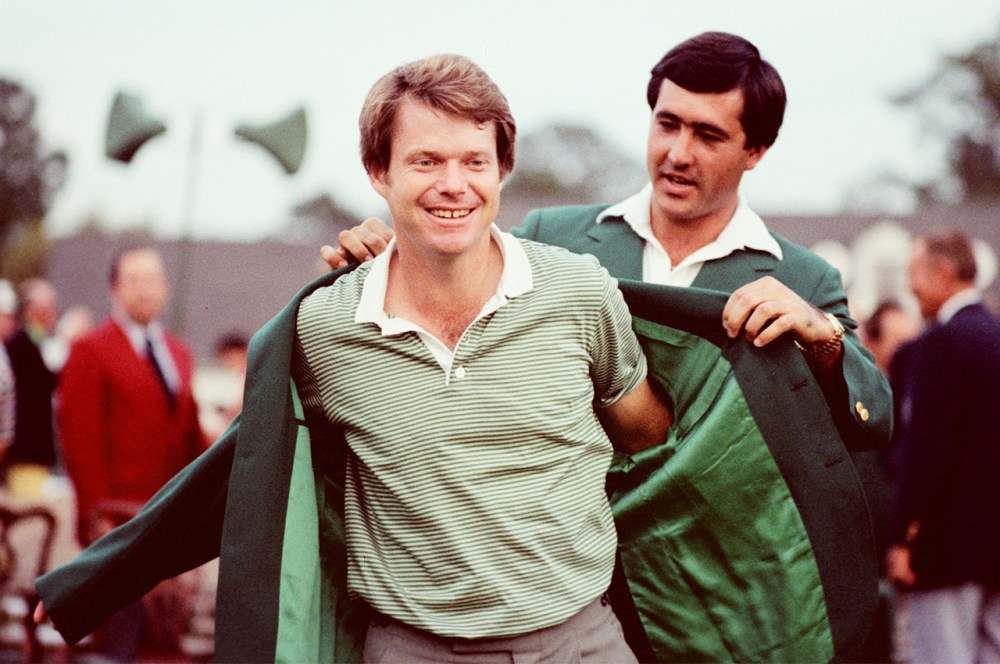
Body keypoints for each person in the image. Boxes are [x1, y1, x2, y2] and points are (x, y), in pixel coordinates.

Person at [36, 54, 673, 664]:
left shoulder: (578, 291)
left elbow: (648, 434)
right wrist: (94, 580)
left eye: (474, 160)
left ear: (501, 169)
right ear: (379, 171)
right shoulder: (323, 329)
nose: (454, 184)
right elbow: (237, 473)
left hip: (581, 640)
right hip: (411, 650)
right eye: (425, 160)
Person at [326, 31, 892, 659]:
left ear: (755, 149)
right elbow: (458, 279)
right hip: (566, 587)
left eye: (708, 136)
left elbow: (869, 421)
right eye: (666, 123)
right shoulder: (553, 236)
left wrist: (824, 337)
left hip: (703, 587)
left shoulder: (801, 277)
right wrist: (389, 258)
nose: (678, 152)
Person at [55, 246, 205, 661]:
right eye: (134, 280)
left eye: (152, 280)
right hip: (117, 524)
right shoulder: (90, 348)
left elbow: (190, 435)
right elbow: (80, 442)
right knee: (121, 641)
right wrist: (97, 520)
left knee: (164, 638)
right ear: (114, 290)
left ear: (165, 289)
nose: (145, 290)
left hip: (168, 520)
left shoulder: (178, 353)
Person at [886, 230, 1000, 663]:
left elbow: (926, 452)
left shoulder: (940, 342)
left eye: (913, 273)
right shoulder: (994, 335)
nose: (910, 286)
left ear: (943, 272)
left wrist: (902, 539)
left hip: (946, 547)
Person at [3, 278, 60, 498]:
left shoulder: (37, 344)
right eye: (46, 310)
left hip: (33, 456)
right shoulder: (20, 347)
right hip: (25, 455)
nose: (51, 316)